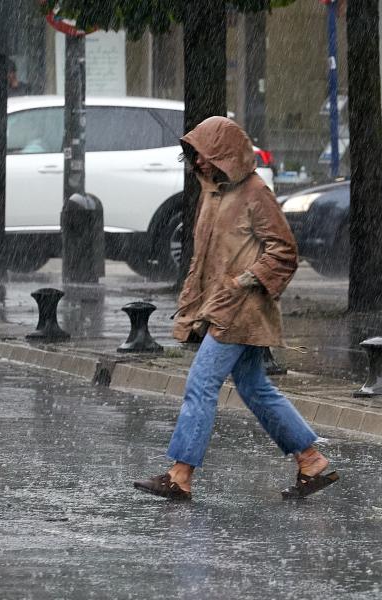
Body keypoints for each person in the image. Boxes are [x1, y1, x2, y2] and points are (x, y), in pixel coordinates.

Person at [134, 116, 339, 502]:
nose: (198, 163)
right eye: (194, 156)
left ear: (225, 154)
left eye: (205, 156)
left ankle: (180, 475)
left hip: (241, 308)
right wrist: (191, 302)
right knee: (255, 387)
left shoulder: (254, 192)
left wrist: (246, 280)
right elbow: (203, 257)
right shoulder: (214, 193)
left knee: (201, 384)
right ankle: (311, 461)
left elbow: (284, 249)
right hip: (221, 306)